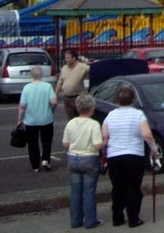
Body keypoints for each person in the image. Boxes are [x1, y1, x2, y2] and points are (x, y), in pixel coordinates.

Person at [102, 86, 158, 228]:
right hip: (133, 155)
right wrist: (153, 149)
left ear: (117, 100)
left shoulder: (110, 115)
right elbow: (146, 134)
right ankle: (133, 218)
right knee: (133, 187)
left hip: (114, 156)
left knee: (118, 187)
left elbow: (104, 136)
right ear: (133, 100)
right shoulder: (138, 115)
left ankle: (117, 217)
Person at [62, 93, 104, 229]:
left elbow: (65, 143)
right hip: (89, 158)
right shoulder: (94, 124)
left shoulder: (71, 123)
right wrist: (106, 141)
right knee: (89, 191)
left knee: (75, 191)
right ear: (91, 108)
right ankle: (90, 220)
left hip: (73, 157)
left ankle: (75, 220)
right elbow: (97, 145)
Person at [17, 65, 57, 172]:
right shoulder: (47, 86)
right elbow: (53, 102)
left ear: (31, 75)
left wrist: (19, 119)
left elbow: (22, 106)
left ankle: (35, 165)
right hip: (46, 119)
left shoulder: (27, 88)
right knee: (47, 141)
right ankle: (45, 160)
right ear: (41, 75)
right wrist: (52, 109)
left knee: (33, 143)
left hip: (31, 121)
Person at [55, 49, 91, 118]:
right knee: (70, 117)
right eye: (65, 58)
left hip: (78, 97)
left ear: (74, 58)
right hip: (67, 98)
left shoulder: (82, 67)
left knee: (80, 116)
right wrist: (55, 94)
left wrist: (85, 60)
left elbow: (93, 68)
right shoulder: (64, 68)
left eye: (68, 58)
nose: (66, 59)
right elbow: (59, 82)